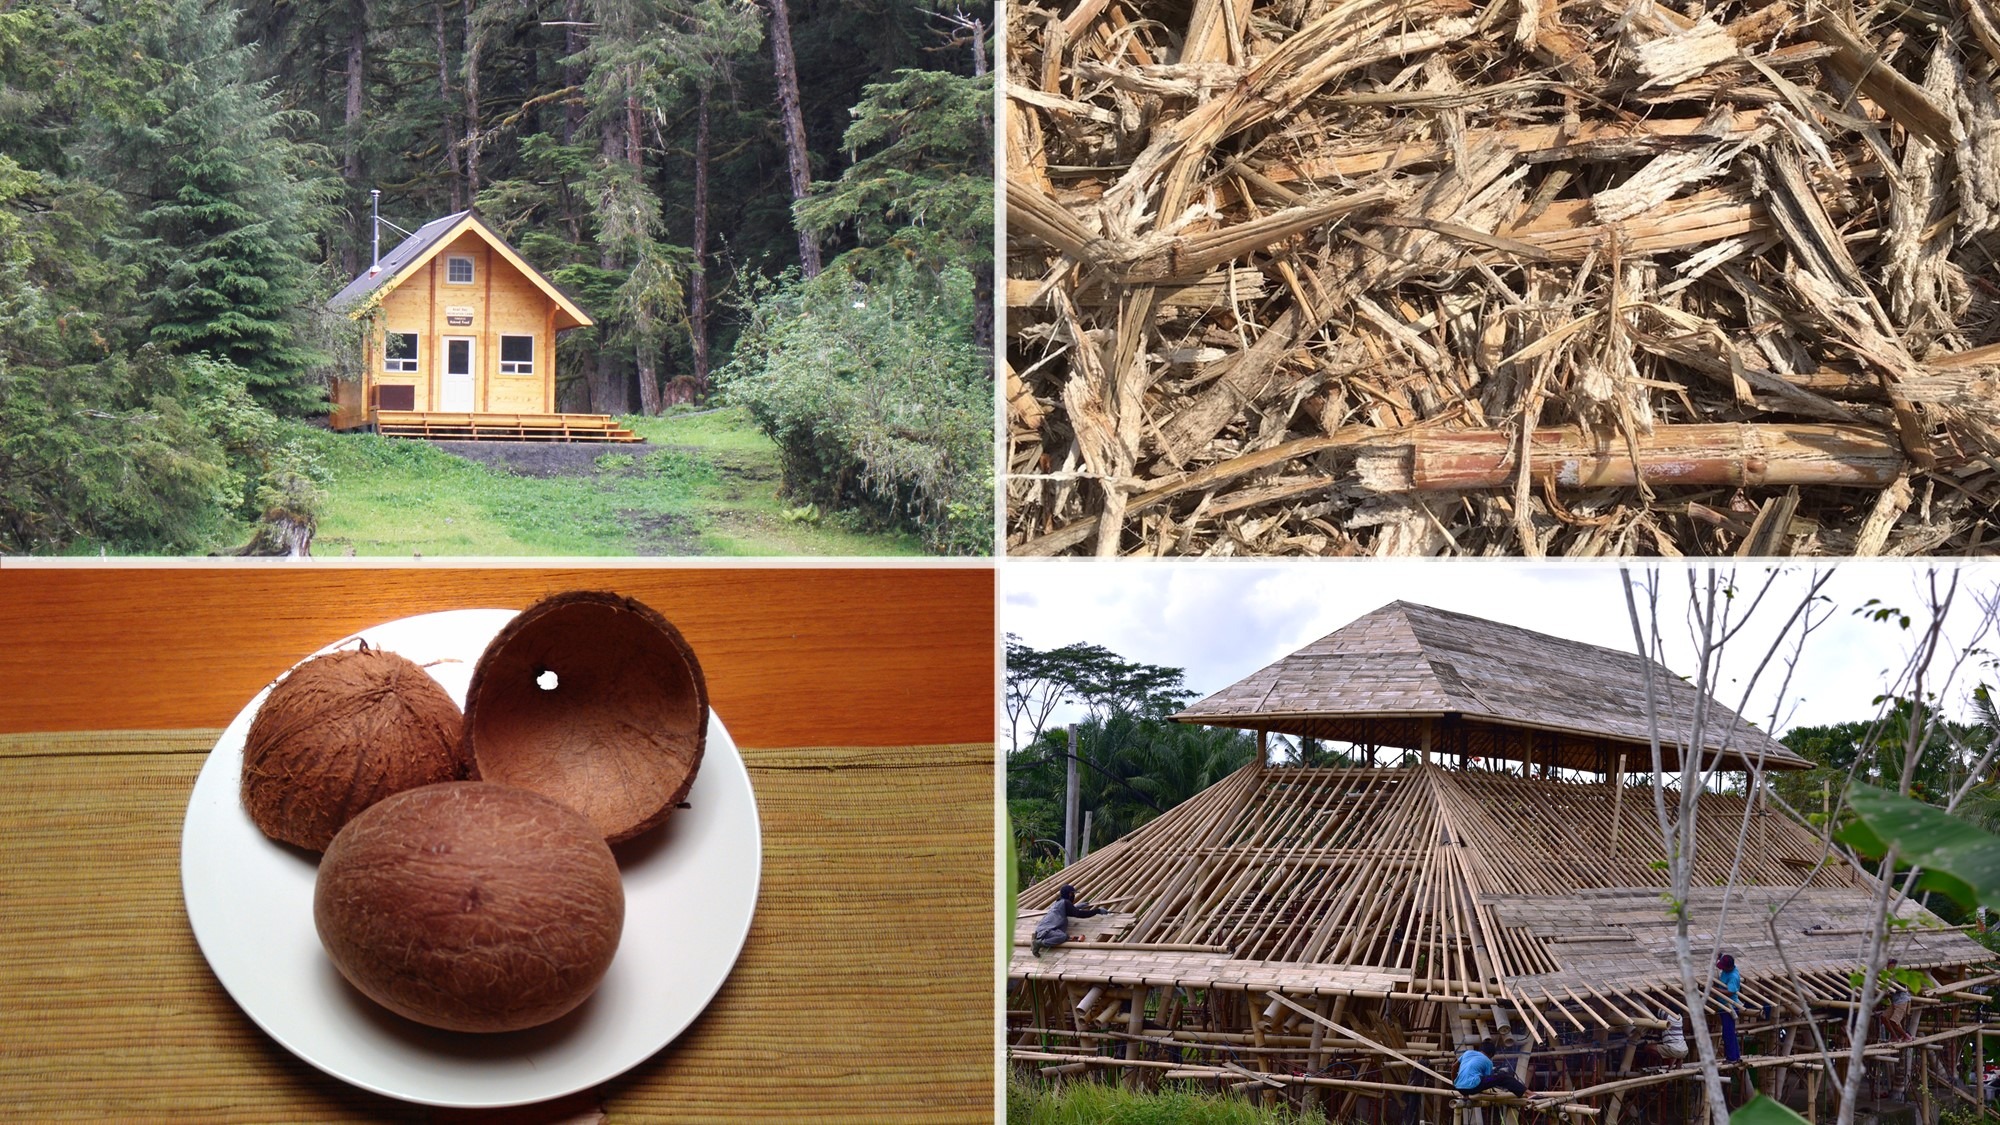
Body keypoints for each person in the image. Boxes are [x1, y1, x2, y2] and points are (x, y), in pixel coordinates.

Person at [1030, 884, 1106, 956]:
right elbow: (1079, 914)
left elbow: (1069, 911)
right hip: (1047, 931)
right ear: (1069, 894)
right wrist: (1097, 911)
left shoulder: (1058, 902)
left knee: (1063, 936)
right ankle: (1039, 943)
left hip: (1042, 930)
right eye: (1072, 894)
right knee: (1063, 937)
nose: (1073, 896)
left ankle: (1039, 941)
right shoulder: (1065, 902)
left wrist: (1076, 907)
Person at [1454, 1039, 1532, 1099]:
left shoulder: (1467, 1053)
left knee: (1491, 1078)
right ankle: (1529, 1093)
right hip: (1473, 1087)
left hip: (1459, 1088)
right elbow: (1487, 1078)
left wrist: (1454, 1081)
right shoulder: (1488, 1061)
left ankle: (1466, 1095)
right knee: (1504, 1078)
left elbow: (1453, 1066)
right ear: (1491, 1054)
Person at [1714, 954, 1742, 1063]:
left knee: (1728, 1033)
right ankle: (1735, 1056)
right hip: (1723, 1005)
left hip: (1729, 1006)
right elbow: (1719, 962)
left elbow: (1730, 992)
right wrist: (1718, 956)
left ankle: (1732, 1058)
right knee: (1729, 1032)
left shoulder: (1733, 977)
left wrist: (1715, 990)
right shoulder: (1727, 969)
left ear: (1728, 967)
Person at [1881, 958, 1914, 1042]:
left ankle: (1906, 1036)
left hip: (1902, 1001)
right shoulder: (1890, 976)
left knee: (1894, 1022)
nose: (1887, 967)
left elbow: (1898, 987)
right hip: (1895, 1001)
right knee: (1884, 1017)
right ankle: (1894, 1037)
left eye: (1889, 965)